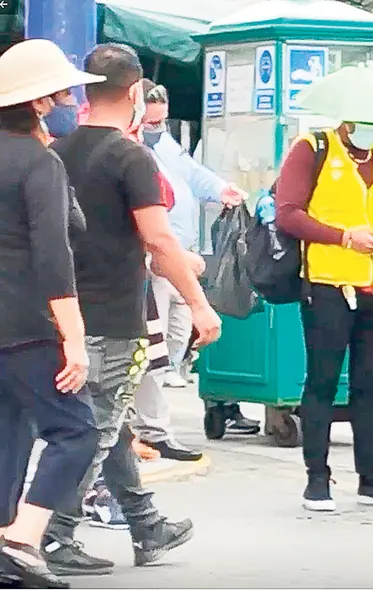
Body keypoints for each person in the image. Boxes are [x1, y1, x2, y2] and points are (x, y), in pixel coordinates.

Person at [42, 42, 222, 576]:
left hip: (64, 311)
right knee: (94, 431)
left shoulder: (59, 149)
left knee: (110, 421)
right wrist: (199, 304)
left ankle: (145, 524)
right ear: (137, 93)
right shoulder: (130, 155)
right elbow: (158, 240)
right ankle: (52, 534)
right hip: (114, 316)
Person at [275, 115, 373, 512]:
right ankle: (317, 479)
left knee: (369, 384)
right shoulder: (313, 149)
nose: (371, 129)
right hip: (328, 284)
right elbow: (287, 213)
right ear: (345, 119)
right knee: (322, 380)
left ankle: (372, 478)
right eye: (363, 121)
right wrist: (343, 237)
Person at [0, 39, 100, 589]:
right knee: (76, 431)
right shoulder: (39, 161)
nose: (68, 99)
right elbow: (53, 255)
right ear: (38, 102)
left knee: (8, 432)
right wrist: (75, 337)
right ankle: (21, 538)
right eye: (61, 91)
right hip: (27, 322)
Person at [132, 79, 256, 463]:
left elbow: (191, 172)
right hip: (155, 261)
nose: (156, 129)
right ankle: (148, 428)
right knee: (148, 351)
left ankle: (145, 424)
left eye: (160, 122)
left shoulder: (164, 145)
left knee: (170, 342)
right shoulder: (130, 150)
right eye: (150, 123)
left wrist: (221, 189)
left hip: (179, 256)